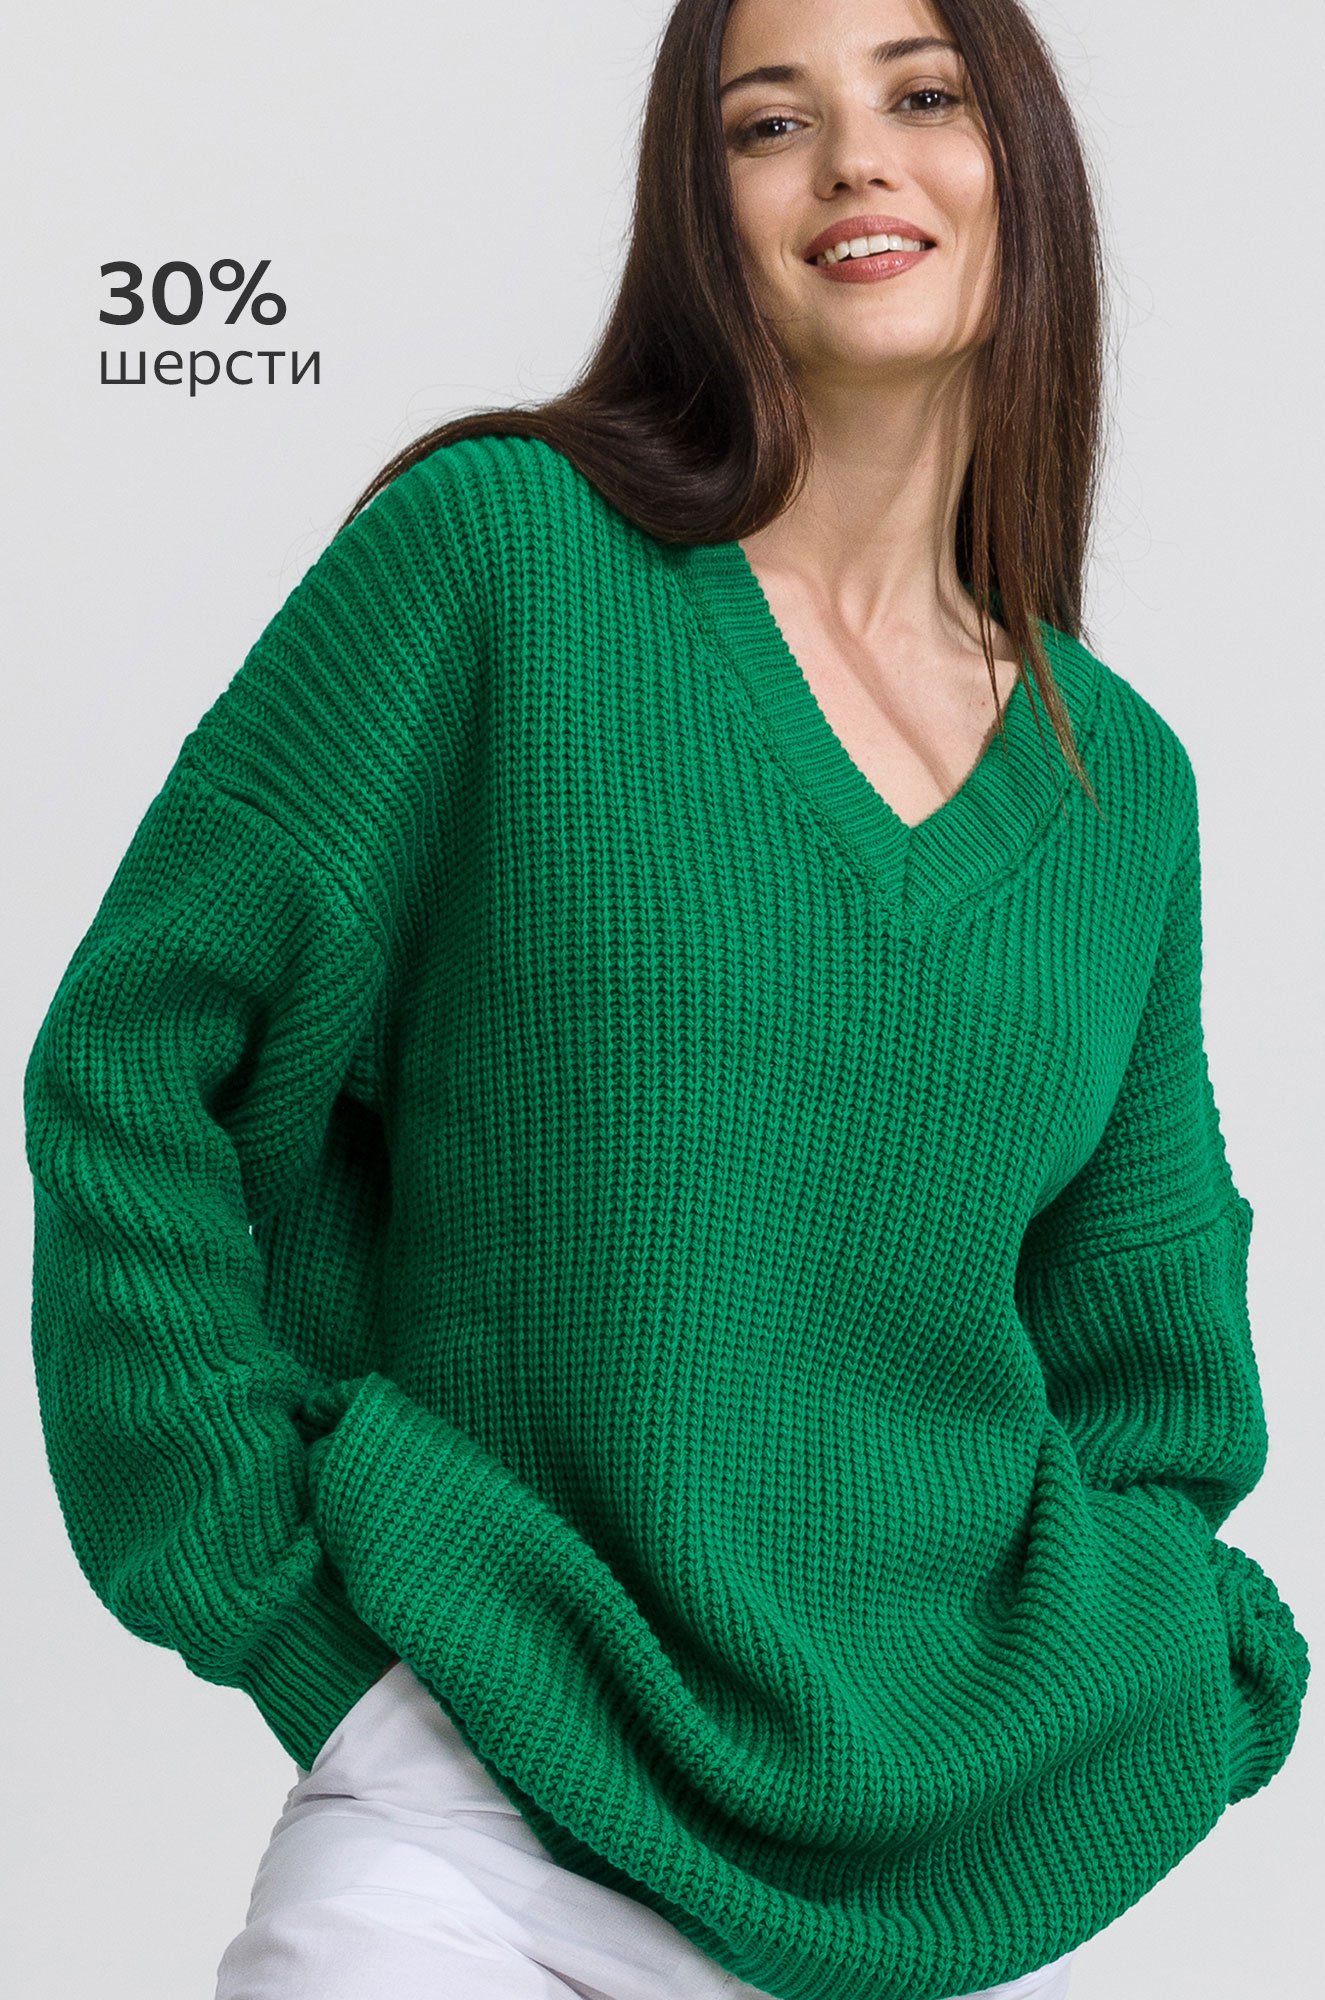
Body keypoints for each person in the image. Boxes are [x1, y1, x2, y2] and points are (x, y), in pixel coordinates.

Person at [23, 1, 1309, 1997]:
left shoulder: (1112, 786)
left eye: (922, 95)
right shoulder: (501, 561)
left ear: (1025, 166)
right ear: (696, 214)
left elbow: (1149, 1377)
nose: (856, 158)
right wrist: (294, 1620)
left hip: (889, 1919)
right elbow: (136, 1065)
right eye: (766, 122)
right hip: (470, 1839)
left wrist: (1166, 1685)